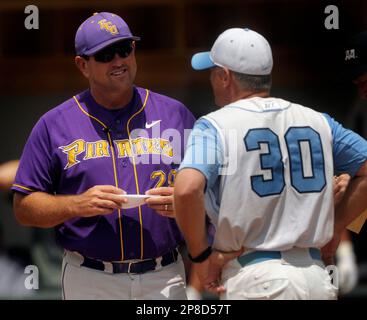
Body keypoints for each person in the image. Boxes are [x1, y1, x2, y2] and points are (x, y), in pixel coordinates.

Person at [12, 12, 195, 300]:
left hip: (165, 275)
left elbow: (216, 192)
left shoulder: (176, 114)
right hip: (90, 278)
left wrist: (187, 203)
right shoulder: (54, 124)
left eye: (125, 49)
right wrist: (77, 205)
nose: (119, 60)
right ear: (83, 65)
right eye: (106, 54)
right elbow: (24, 207)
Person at [174, 27, 367, 300]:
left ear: (224, 77)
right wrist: (335, 226)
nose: (211, 79)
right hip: (315, 277)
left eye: (213, 72)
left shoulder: (214, 125)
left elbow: (186, 189)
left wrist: (201, 254)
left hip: (257, 278)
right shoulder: (318, 120)